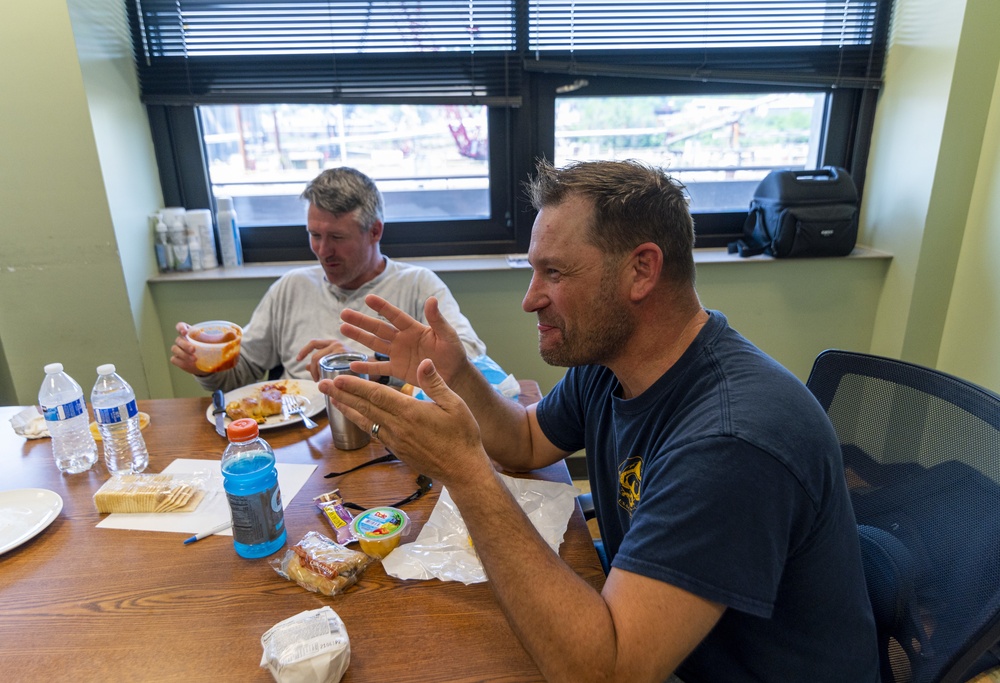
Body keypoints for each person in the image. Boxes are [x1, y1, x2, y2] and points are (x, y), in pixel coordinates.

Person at [319, 159, 879, 682]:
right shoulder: (613, 366)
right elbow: (523, 440)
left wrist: (466, 473)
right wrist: (457, 372)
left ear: (641, 270)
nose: (530, 300)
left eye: (553, 272)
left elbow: (607, 671)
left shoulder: (731, 441)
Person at [170, 167, 486, 392]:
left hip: (390, 435)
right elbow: (240, 375)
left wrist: (373, 367)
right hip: (304, 435)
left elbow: (471, 357)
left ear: (375, 231)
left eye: (337, 237)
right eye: (314, 235)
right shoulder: (290, 287)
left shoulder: (418, 284)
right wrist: (206, 363)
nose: (323, 251)